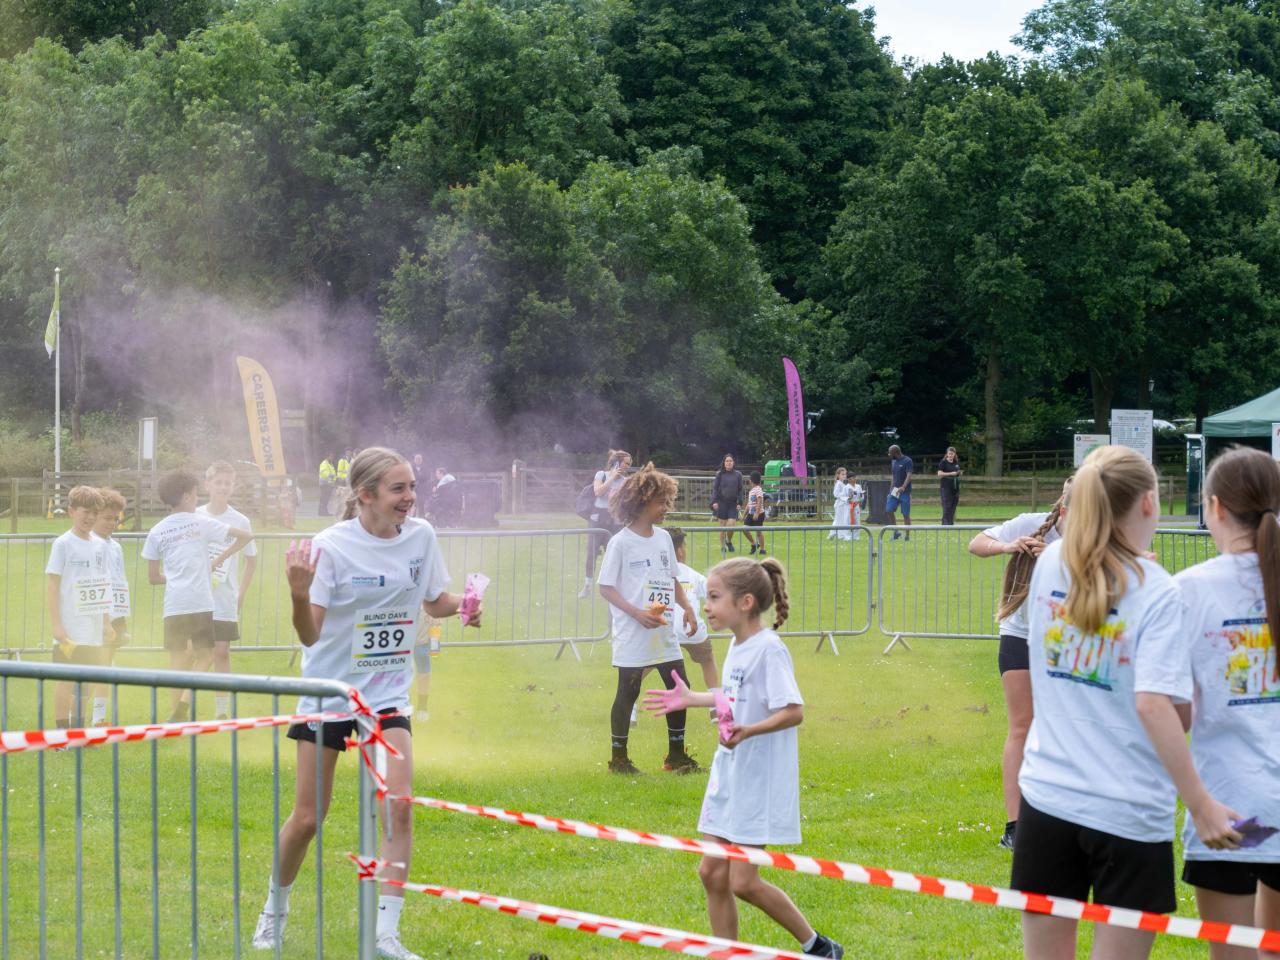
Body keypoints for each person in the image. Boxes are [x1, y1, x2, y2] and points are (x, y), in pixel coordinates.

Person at [252, 447, 481, 960]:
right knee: (309, 818)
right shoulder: (331, 547)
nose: (410, 498)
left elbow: (432, 601)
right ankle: (274, 912)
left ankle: (385, 936)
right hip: (330, 694)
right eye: (398, 489)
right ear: (366, 495)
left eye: (412, 487)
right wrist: (297, 592)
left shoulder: (422, 536)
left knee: (398, 810)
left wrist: (463, 605)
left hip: (385, 698)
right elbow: (309, 636)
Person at [1014, 446, 1240, 960]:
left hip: (1047, 801)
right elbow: (1156, 706)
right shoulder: (1156, 592)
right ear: (1147, 504)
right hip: (1129, 811)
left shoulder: (1050, 563)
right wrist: (1201, 806)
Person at [643, 557, 844, 958]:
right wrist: (693, 698)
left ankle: (819, 947)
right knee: (711, 872)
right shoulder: (737, 644)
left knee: (744, 882)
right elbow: (731, 698)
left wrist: (748, 732)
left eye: (714, 598)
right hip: (729, 773)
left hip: (757, 778)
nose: (707, 607)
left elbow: (793, 710)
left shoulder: (769, 649)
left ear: (746, 601)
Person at [1174, 447, 1280, 960]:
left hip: (1226, 809)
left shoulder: (1188, 591)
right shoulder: (1188, 590)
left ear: (1213, 507)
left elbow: (1169, 709)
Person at [967, 479, 1071, 851]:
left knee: (1063, 728)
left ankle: (1060, 818)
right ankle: (1015, 825)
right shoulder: (1030, 522)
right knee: (1022, 726)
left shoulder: (1092, 539)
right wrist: (1009, 545)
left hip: (1065, 640)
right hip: (1020, 635)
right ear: (1063, 511)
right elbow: (976, 543)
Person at [597, 463, 700, 775]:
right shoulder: (621, 542)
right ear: (641, 503)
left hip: (663, 631)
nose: (666, 508)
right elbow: (605, 587)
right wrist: (636, 613)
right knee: (628, 691)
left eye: (667, 501)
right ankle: (619, 759)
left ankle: (676, 757)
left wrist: (688, 609)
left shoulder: (664, 539)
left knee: (680, 687)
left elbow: (672, 580)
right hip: (633, 631)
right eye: (661, 502)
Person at [143, 470, 253, 722]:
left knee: (177, 660)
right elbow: (246, 536)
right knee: (205, 656)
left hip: (174, 604)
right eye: (194, 494)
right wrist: (217, 560)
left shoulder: (156, 531)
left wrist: (177, 577)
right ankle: (183, 706)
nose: (196, 499)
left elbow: (153, 577)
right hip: (200, 602)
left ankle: (176, 715)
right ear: (186, 497)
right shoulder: (201, 522)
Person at [46, 485, 111, 728]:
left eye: (95, 512)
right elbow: (53, 586)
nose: (91, 517)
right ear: (72, 511)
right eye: (86, 511)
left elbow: (102, 585)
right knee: (65, 680)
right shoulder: (63, 544)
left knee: (87, 681)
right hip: (70, 629)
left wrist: (106, 622)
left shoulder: (100, 546)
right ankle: (62, 734)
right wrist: (57, 625)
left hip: (93, 630)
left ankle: (79, 731)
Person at [198, 461, 259, 720]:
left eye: (228, 483)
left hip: (224, 596)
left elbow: (251, 559)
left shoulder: (240, 520)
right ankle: (181, 705)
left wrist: (241, 593)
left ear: (233, 486)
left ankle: (222, 711)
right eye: (218, 482)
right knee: (195, 652)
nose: (223, 487)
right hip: (197, 595)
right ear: (207, 484)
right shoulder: (196, 515)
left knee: (221, 651)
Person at [93, 488, 131, 719]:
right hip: (95, 614)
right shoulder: (90, 544)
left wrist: (122, 620)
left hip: (115, 614)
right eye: (107, 518)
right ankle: (88, 718)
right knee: (98, 664)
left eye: (115, 519)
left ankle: (99, 716)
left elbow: (120, 582)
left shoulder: (116, 547)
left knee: (106, 662)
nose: (112, 523)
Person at [578, 449, 631, 599]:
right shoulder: (601, 474)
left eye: (629, 464)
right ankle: (587, 586)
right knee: (592, 553)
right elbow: (598, 492)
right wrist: (612, 477)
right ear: (616, 462)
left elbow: (625, 503)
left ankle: (612, 589)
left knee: (614, 556)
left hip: (615, 522)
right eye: (626, 463)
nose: (628, 466)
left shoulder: (626, 482)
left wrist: (617, 499)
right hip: (597, 521)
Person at [710, 455, 745, 555]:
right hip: (722, 503)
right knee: (722, 526)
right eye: (727, 461)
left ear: (733, 463)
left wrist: (740, 502)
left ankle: (729, 541)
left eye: (730, 461)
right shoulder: (719, 474)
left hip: (733, 504)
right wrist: (714, 502)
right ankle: (722, 547)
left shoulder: (738, 475)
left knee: (731, 525)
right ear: (724, 463)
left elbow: (740, 490)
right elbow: (715, 489)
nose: (728, 463)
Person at [413, 616, 442, 723]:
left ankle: (422, 707)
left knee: (424, 673)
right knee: (398, 674)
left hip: (421, 639)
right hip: (400, 640)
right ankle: (400, 706)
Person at [885, 445, 913, 539]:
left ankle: (907, 535)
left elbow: (909, 475)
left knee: (905, 514)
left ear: (896, 452)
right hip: (895, 491)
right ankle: (896, 532)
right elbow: (894, 476)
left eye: (890, 453)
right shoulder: (893, 461)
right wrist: (890, 490)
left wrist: (903, 487)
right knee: (889, 510)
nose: (889, 455)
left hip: (905, 491)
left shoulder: (908, 461)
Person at [937, 447, 962, 525]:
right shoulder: (943, 462)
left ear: (954, 454)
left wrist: (959, 473)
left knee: (954, 504)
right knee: (947, 504)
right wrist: (951, 473)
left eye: (952, 454)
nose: (951, 455)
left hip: (955, 487)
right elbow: (939, 474)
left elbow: (957, 472)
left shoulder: (956, 462)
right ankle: (945, 523)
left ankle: (950, 522)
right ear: (947, 454)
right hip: (945, 487)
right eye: (949, 454)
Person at [743, 472, 767, 555]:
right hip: (750, 514)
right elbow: (749, 504)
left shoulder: (758, 489)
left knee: (759, 532)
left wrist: (756, 513)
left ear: (750, 481)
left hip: (759, 514)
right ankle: (754, 544)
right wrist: (744, 515)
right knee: (744, 529)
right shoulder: (752, 491)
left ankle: (763, 549)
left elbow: (760, 500)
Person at [827, 468, 853, 542]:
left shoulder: (842, 483)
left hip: (843, 504)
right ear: (838, 475)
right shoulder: (838, 483)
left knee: (839, 520)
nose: (844, 476)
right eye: (842, 474)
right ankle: (842, 536)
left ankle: (833, 534)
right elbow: (836, 494)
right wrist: (846, 498)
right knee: (842, 520)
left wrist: (849, 495)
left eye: (845, 474)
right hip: (840, 504)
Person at [849, 474, 865, 540]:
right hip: (849, 506)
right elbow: (845, 497)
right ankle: (849, 536)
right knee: (849, 520)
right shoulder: (847, 487)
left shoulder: (858, 486)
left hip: (856, 505)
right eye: (853, 478)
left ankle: (856, 536)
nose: (855, 479)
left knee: (857, 520)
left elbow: (862, 497)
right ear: (849, 479)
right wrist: (850, 496)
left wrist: (861, 495)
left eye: (855, 477)